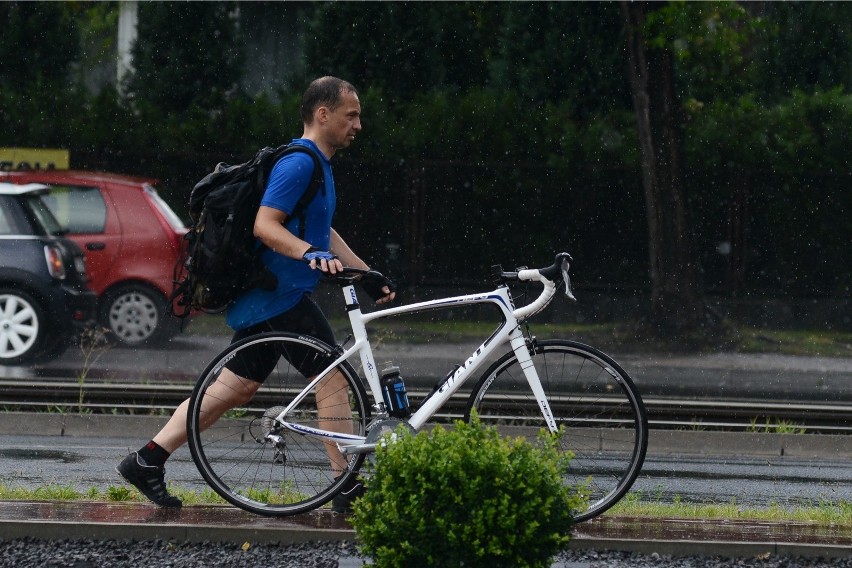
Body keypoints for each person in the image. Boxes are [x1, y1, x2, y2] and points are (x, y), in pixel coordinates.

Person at [117, 76, 395, 513]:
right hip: (278, 298)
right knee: (333, 377)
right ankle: (342, 484)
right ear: (323, 114)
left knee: (236, 387)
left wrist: (363, 272)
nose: (358, 124)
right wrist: (309, 255)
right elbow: (264, 225)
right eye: (352, 114)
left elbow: (323, 229)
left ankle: (146, 460)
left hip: (274, 299)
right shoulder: (299, 163)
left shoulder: (318, 164)